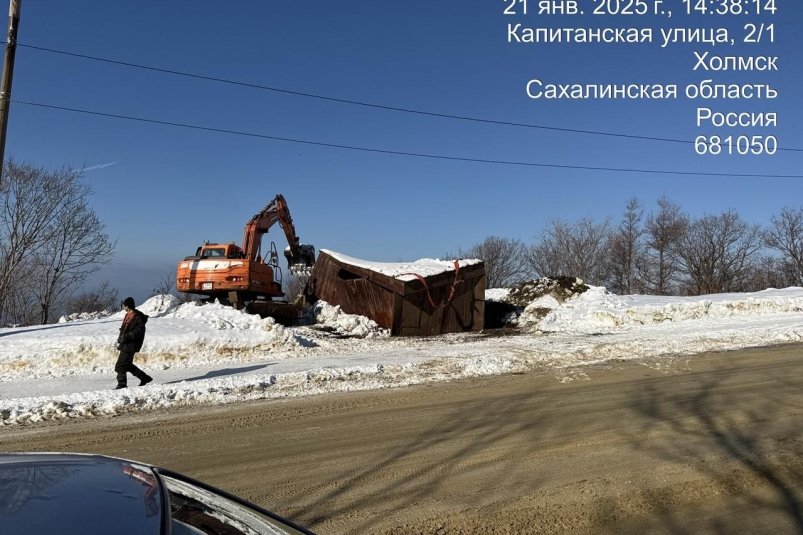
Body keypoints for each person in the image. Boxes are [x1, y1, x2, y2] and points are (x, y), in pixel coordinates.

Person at [115, 297, 153, 389]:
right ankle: (144, 378)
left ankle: (122, 384)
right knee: (127, 365)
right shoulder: (129, 315)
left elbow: (138, 331)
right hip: (126, 344)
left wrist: (125, 337)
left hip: (131, 344)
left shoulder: (137, 317)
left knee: (120, 365)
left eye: (125, 305)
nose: (124, 307)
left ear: (128, 306)